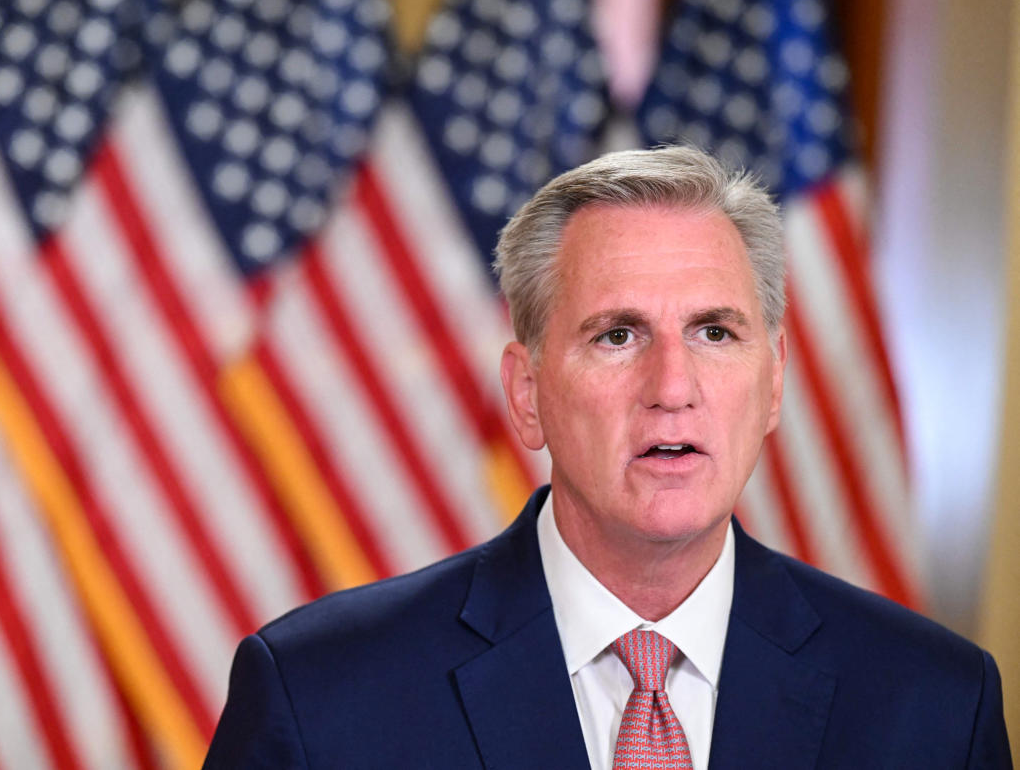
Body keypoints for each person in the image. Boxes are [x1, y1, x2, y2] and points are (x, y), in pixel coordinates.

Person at [203, 146, 1011, 768]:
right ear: (527, 395)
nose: (672, 387)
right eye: (617, 335)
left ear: (773, 386)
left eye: (715, 332)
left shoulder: (932, 707)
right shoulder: (321, 697)